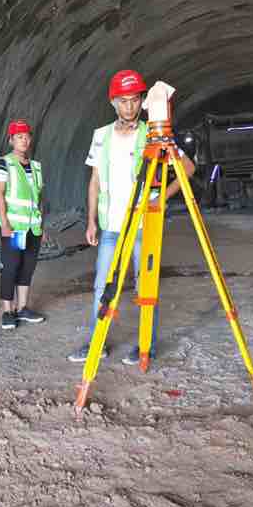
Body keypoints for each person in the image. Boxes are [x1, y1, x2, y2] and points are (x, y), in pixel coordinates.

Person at [68, 70, 194, 365]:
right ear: (114, 103)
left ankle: (144, 346)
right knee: (102, 286)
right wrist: (90, 221)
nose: (129, 107)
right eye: (123, 101)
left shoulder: (154, 134)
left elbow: (187, 168)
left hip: (141, 227)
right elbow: (95, 181)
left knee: (145, 286)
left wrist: (159, 199)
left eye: (135, 100)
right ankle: (97, 344)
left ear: (142, 101)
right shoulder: (101, 135)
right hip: (111, 227)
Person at [0, 119, 46, 330]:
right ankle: (7, 311)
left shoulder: (36, 167)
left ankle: (23, 308)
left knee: (27, 268)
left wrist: (43, 225)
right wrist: (4, 223)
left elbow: (39, 198)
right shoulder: (3, 163)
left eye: (26, 136)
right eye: (19, 137)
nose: (24, 140)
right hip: (14, 227)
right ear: (11, 140)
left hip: (33, 228)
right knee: (11, 265)